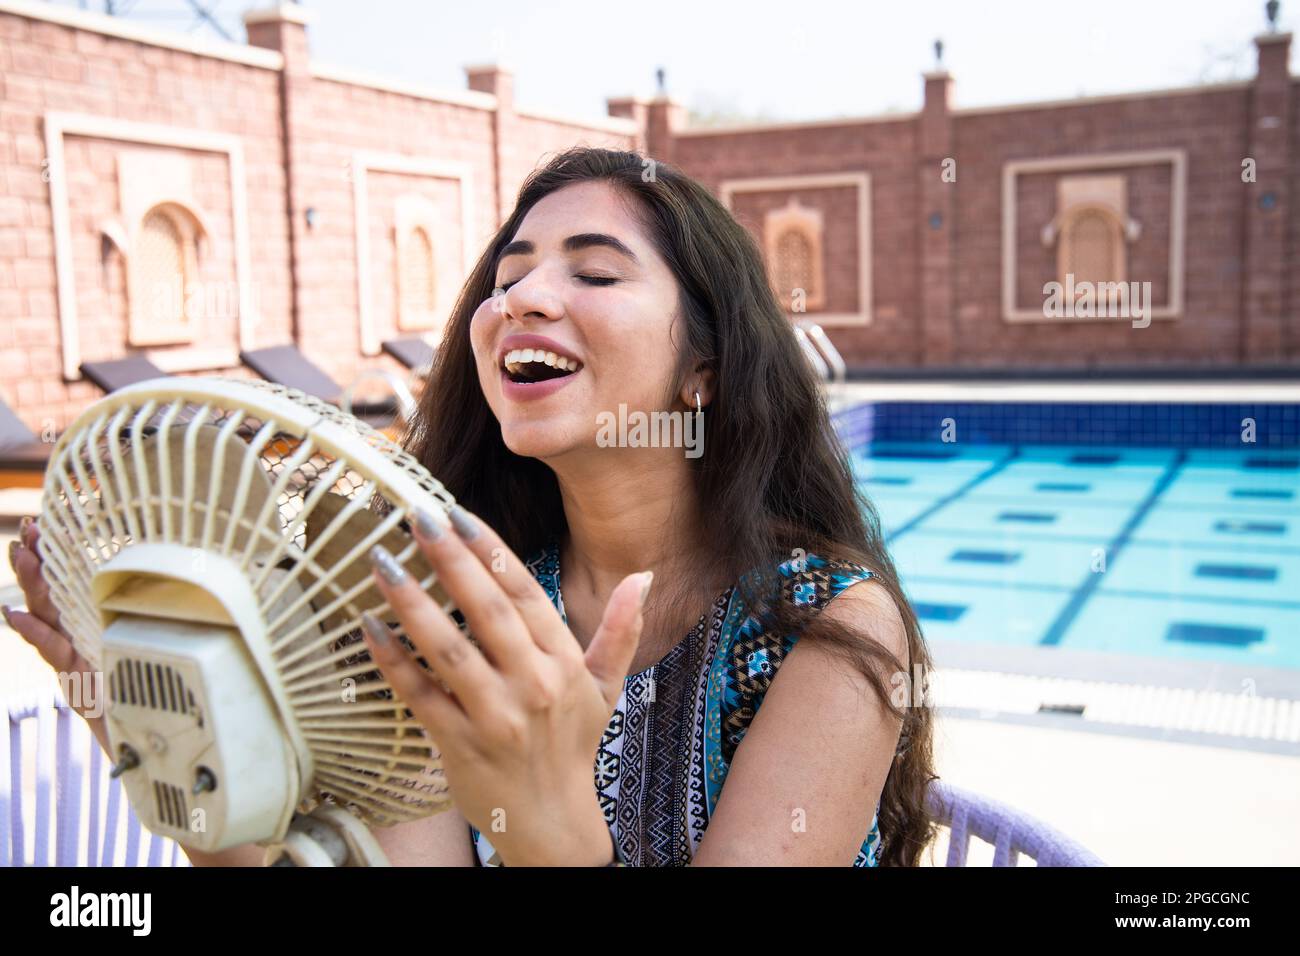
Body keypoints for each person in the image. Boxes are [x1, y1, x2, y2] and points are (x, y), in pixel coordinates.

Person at [4, 146, 937, 866]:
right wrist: (183, 769)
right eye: (506, 278)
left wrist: (553, 834)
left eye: (596, 274)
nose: (523, 298)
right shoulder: (444, 613)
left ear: (706, 365)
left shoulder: (830, 631)